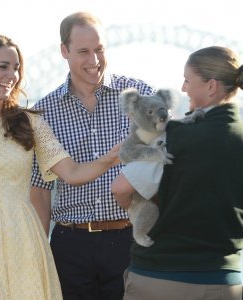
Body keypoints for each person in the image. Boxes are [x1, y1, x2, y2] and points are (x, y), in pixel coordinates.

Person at [0, 33, 121, 300]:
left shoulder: (29, 122)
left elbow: (72, 173)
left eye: (16, 68)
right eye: (3, 66)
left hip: (27, 246)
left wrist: (115, 155)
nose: (12, 75)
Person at [30, 11, 154, 300]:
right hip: (69, 244)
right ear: (64, 51)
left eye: (99, 50)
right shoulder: (43, 112)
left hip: (129, 239)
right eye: (84, 51)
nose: (94, 60)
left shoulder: (141, 97)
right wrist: (39, 253)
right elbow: (40, 191)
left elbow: (163, 170)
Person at [112, 46, 243, 300]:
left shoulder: (175, 135)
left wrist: (140, 212)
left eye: (187, 80)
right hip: (225, 283)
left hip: (160, 279)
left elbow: (120, 188)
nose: (183, 89)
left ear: (211, 86)